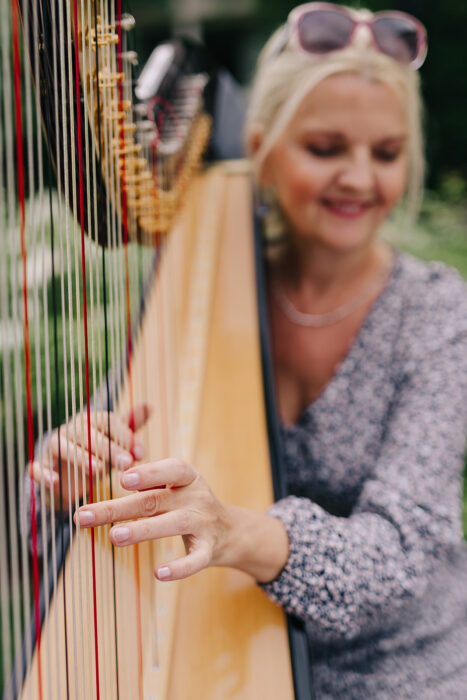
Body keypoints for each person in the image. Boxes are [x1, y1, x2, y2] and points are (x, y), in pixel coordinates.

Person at [34, 4, 467, 698]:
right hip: (226, 641)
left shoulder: (439, 315)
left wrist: (240, 534)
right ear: (261, 148)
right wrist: (71, 476)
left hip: (401, 675)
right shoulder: (206, 280)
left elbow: (401, 555)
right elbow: (122, 475)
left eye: (384, 153)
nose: (358, 177)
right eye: (325, 149)